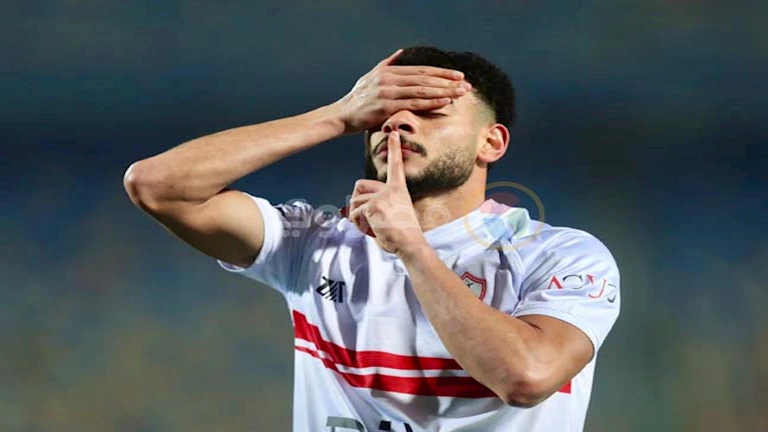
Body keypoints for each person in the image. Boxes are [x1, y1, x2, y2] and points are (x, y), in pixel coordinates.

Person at [124, 46, 620, 432]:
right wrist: (337, 115)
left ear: (490, 142)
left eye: (430, 112)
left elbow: (527, 377)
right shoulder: (313, 243)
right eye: (382, 114)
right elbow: (156, 186)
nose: (398, 122)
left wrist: (412, 248)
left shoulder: (560, 255)